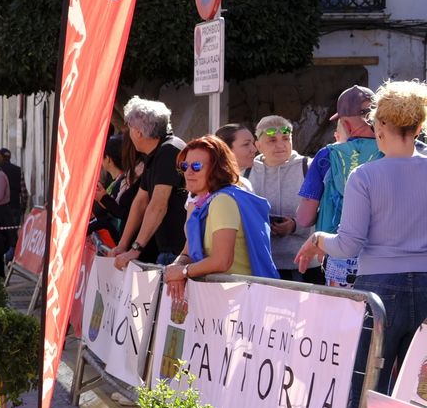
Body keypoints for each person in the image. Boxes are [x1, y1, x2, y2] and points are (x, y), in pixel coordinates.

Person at [296, 80, 427, 392]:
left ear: (379, 125)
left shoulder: (365, 176)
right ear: (419, 126)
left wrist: (317, 240)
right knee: (418, 392)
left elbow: (348, 245)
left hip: (380, 288)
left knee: (369, 387)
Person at [162, 135, 277, 302]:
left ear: (217, 169)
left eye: (196, 166)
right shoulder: (202, 202)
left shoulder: (222, 201)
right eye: (185, 166)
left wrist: (184, 272)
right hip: (219, 300)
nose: (188, 172)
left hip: (240, 301)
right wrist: (177, 266)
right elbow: (188, 251)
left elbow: (222, 261)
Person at [297, 85, 382, 287]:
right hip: (385, 256)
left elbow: (304, 218)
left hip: (339, 252)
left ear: (346, 124)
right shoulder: (392, 152)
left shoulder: (327, 156)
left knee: (345, 316)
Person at [113, 97, 188, 269]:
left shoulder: (169, 150)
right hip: (167, 250)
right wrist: (122, 245)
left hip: (176, 254)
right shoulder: (156, 153)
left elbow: (157, 205)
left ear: (138, 132)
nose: (129, 134)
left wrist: (135, 249)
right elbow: (140, 201)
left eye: (130, 129)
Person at [244, 115, 316, 282]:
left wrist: (295, 225)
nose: (280, 145)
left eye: (285, 138)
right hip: (262, 264)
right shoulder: (246, 172)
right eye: (272, 140)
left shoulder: (310, 168)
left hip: (304, 264)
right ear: (258, 145)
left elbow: (325, 212)